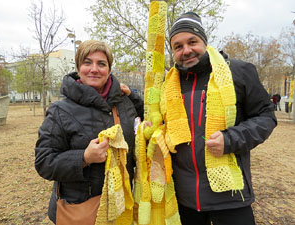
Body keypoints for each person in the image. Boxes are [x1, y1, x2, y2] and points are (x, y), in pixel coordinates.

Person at [161, 12, 277, 225]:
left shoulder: (238, 72)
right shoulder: (168, 84)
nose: (186, 51)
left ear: (204, 41)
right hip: (184, 199)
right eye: (178, 46)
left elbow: (266, 116)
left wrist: (231, 139)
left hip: (231, 198)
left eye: (192, 42)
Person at [35, 40, 143, 224]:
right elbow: (44, 161)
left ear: (109, 69)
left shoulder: (124, 103)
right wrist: (84, 157)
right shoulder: (60, 111)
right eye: (87, 62)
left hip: (122, 207)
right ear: (78, 68)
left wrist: (134, 99)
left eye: (101, 64)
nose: (94, 69)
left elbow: (142, 128)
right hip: (81, 210)